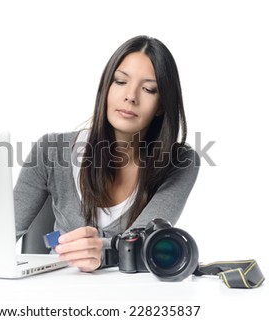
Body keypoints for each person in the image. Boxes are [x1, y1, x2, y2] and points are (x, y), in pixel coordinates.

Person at [14, 35, 199, 272]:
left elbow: (146, 245)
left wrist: (104, 251)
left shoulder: (180, 162)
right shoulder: (50, 151)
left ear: (161, 105)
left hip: (132, 299)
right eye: (120, 82)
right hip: (57, 291)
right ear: (106, 88)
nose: (131, 96)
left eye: (148, 89)